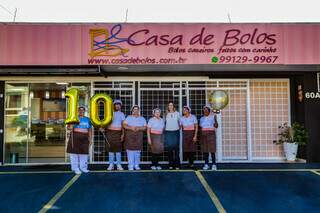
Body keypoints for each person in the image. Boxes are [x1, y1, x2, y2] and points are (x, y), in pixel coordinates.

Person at [100, 99, 125, 171]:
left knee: (118, 150)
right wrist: (102, 128)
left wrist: (123, 134)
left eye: (119, 104)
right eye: (116, 104)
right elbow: (105, 123)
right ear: (113, 105)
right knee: (110, 149)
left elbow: (123, 125)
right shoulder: (109, 113)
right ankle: (111, 164)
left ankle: (119, 164)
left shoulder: (122, 114)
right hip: (110, 132)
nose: (117, 106)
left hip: (118, 133)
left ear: (120, 106)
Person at [67, 106, 92, 175]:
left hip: (85, 137)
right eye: (80, 110)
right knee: (74, 153)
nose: (81, 111)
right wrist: (70, 127)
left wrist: (90, 138)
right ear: (78, 111)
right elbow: (68, 127)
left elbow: (90, 129)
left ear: (84, 111)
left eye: (83, 110)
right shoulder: (74, 118)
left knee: (84, 153)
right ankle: (75, 168)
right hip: (75, 136)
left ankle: (83, 167)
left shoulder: (87, 119)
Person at [123, 105, 147, 170]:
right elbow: (124, 125)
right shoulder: (128, 117)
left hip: (139, 136)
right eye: (134, 109)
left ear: (139, 111)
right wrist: (131, 127)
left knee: (137, 151)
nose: (136, 110)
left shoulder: (142, 118)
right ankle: (130, 166)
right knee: (130, 151)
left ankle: (136, 165)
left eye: (137, 109)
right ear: (132, 110)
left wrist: (139, 128)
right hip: (130, 135)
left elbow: (145, 127)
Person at [199, 105, 218, 171]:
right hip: (204, 135)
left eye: (206, 110)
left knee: (212, 150)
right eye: (204, 110)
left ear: (209, 111)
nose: (205, 111)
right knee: (205, 151)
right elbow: (201, 128)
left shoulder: (213, 117)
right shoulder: (201, 118)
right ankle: (206, 164)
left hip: (211, 134)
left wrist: (215, 119)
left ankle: (214, 164)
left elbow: (216, 126)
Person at [164, 102, 181, 169]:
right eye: (169, 105)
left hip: (175, 132)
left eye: (171, 105)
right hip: (168, 132)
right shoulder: (166, 114)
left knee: (176, 149)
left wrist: (177, 128)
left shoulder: (177, 113)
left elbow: (180, 122)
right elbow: (164, 123)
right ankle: (171, 164)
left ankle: (177, 165)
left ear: (173, 106)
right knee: (170, 149)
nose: (170, 106)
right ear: (168, 106)